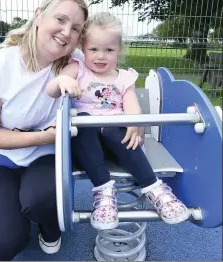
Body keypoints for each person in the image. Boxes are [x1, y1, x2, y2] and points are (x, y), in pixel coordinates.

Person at [0, 0, 88, 260]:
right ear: (38, 16)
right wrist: (43, 137)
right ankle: (15, 221)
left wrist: (132, 113)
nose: (66, 32)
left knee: (41, 201)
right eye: (60, 19)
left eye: (76, 28)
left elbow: (111, 83)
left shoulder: (74, 64)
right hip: (1, 156)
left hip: (46, 155)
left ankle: (50, 226)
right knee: (0, 244)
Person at [46, 12, 190, 231]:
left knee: (116, 127)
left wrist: (136, 123)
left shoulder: (124, 78)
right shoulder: (77, 69)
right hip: (86, 146)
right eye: (93, 49)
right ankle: (103, 191)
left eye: (109, 50)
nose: (100, 56)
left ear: (118, 50)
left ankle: (154, 188)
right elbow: (52, 90)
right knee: (81, 122)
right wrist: (63, 79)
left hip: (117, 143)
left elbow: (132, 105)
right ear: (83, 49)